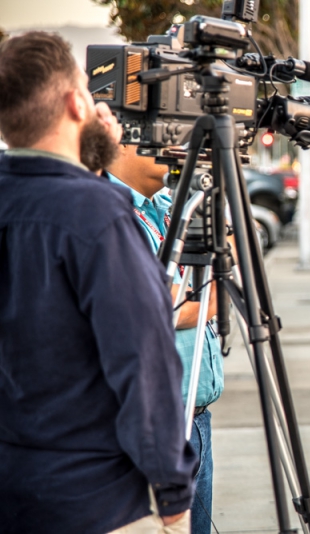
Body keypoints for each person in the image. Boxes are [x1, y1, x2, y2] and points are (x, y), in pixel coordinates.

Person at [0, 32, 196, 533]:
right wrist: (174, 493)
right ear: (74, 101)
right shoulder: (96, 215)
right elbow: (144, 361)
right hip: (95, 503)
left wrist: (90, 163)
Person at [106, 145, 225, 534]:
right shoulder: (108, 211)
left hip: (197, 416)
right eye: (161, 137)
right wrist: (214, 298)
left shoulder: (170, 203)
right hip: (159, 421)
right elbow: (162, 307)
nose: (176, 149)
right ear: (125, 141)